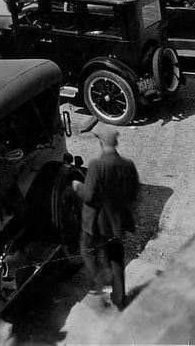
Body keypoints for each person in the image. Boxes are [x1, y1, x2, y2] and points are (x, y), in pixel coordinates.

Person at [73, 124, 139, 309]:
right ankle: (119, 298)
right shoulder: (128, 165)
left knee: (86, 250)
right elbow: (133, 193)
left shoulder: (96, 166)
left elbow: (89, 196)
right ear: (115, 143)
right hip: (115, 223)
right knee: (116, 257)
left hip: (95, 222)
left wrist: (78, 187)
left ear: (101, 144)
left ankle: (98, 283)